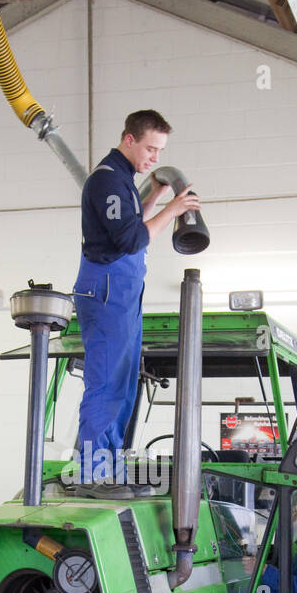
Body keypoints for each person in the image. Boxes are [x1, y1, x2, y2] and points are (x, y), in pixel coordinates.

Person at [73, 109, 200, 481]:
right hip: (107, 288)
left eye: (160, 151)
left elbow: (129, 224)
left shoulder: (124, 180)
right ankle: (92, 473)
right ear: (129, 139)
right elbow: (130, 239)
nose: (155, 158)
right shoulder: (107, 180)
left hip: (122, 293)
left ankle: (107, 467)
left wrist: (157, 196)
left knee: (125, 384)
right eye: (150, 148)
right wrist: (174, 209)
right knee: (106, 384)